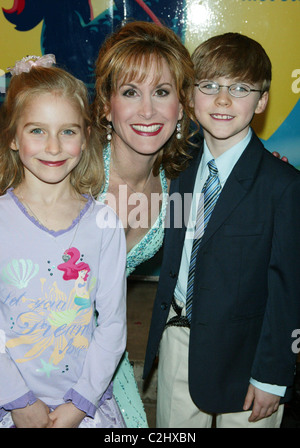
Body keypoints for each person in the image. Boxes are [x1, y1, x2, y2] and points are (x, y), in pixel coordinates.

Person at [143, 32, 300, 428]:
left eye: (240, 88)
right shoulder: (176, 168)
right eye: (209, 86)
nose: (223, 100)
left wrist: (272, 375)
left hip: (247, 358)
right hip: (179, 340)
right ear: (190, 96)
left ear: (262, 100)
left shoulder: (283, 185)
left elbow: (289, 290)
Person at [0, 55, 127, 428]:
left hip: (84, 410)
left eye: (68, 131)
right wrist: (18, 401)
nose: (53, 147)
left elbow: (113, 325)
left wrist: (80, 404)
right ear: (12, 137)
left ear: (86, 136)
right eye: (37, 130)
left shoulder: (104, 224)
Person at [92, 21, 196, 427]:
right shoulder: (75, 172)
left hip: (108, 349)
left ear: (182, 105)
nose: (148, 111)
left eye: (163, 92)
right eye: (130, 92)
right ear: (106, 104)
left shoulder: (176, 188)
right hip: (39, 343)